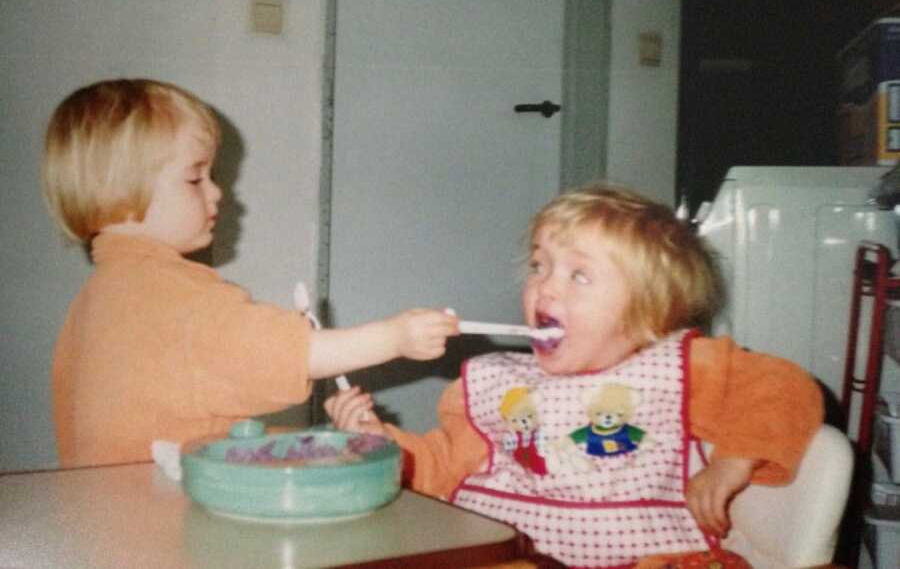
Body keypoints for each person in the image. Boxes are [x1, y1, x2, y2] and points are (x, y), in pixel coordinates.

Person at [325, 184, 824, 568]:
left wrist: (733, 461)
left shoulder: (681, 366)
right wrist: (380, 445)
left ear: (647, 311)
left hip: (649, 558)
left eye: (578, 275)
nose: (545, 287)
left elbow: (785, 389)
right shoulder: (498, 384)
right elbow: (440, 468)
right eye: (540, 266)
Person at [42, 78, 458, 468]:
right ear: (120, 188)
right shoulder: (166, 295)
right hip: (158, 520)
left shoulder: (97, 299)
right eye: (194, 178)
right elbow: (288, 354)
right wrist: (396, 336)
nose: (216, 191)